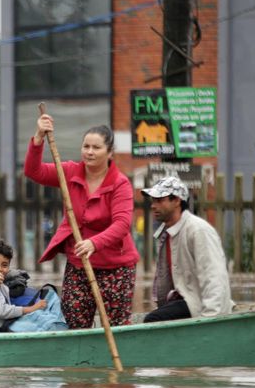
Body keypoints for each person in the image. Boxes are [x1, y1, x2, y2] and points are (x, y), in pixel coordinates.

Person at [25, 115, 140, 329]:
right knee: (74, 321)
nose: (89, 152)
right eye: (86, 146)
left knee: (116, 327)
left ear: (110, 153)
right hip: (79, 263)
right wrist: (38, 137)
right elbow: (34, 171)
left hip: (116, 267)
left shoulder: (120, 184)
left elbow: (122, 224)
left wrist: (94, 243)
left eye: (96, 147)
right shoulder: (69, 172)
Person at [141, 176, 233, 322]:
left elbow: (214, 276)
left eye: (159, 200)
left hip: (200, 305)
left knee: (152, 319)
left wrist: (212, 318)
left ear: (176, 201)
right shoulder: (165, 234)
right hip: (182, 301)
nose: (153, 205)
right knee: (155, 317)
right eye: (153, 201)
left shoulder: (198, 230)